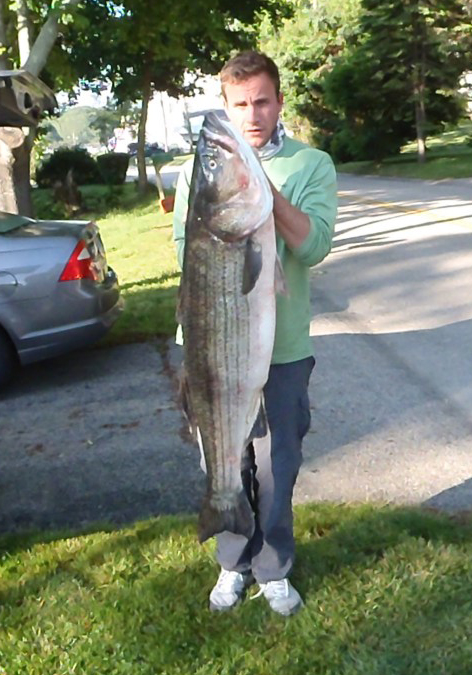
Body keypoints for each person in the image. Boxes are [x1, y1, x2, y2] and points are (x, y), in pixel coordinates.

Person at [172, 51, 337, 616]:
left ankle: (273, 568)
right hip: (209, 349)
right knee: (224, 463)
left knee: (275, 467)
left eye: (262, 101)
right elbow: (185, 254)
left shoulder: (311, 164)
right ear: (226, 105)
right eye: (239, 104)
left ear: (279, 101)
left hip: (281, 351)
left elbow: (313, 246)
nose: (251, 114)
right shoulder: (196, 172)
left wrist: (260, 188)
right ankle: (232, 560)